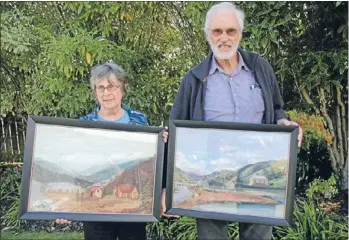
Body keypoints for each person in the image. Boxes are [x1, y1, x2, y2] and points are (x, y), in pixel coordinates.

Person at [163, 2, 303, 240]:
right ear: (208, 35)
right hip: (212, 176)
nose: (224, 38)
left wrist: (283, 124)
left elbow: (277, 109)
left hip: (259, 172)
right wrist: (166, 187)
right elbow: (175, 131)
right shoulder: (194, 79)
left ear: (240, 33)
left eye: (231, 31)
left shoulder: (260, 68)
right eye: (217, 31)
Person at [56, 62, 169, 240]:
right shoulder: (84, 125)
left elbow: (150, 162)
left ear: (123, 88)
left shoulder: (139, 121)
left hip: (134, 207)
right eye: (100, 88)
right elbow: (74, 167)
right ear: (95, 92)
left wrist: (160, 143)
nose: (106, 93)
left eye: (111, 86)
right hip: (95, 209)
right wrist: (68, 204)